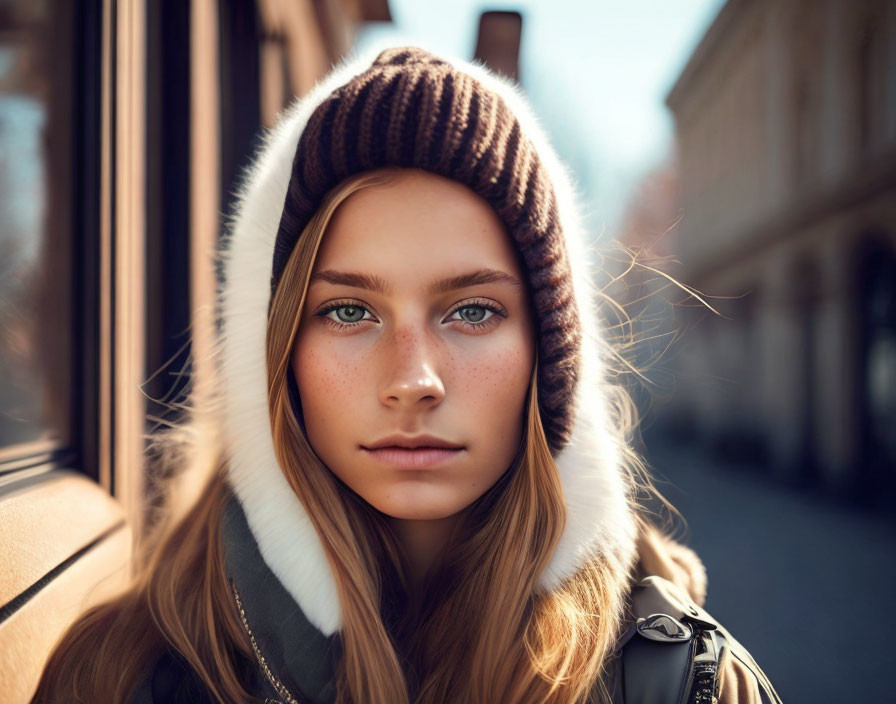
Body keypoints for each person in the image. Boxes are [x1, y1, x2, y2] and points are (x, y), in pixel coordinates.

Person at [32, 45, 781, 704]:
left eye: (474, 311)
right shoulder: (117, 676)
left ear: (552, 360)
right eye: (349, 312)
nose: (414, 379)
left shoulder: (688, 683)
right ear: (277, 354)